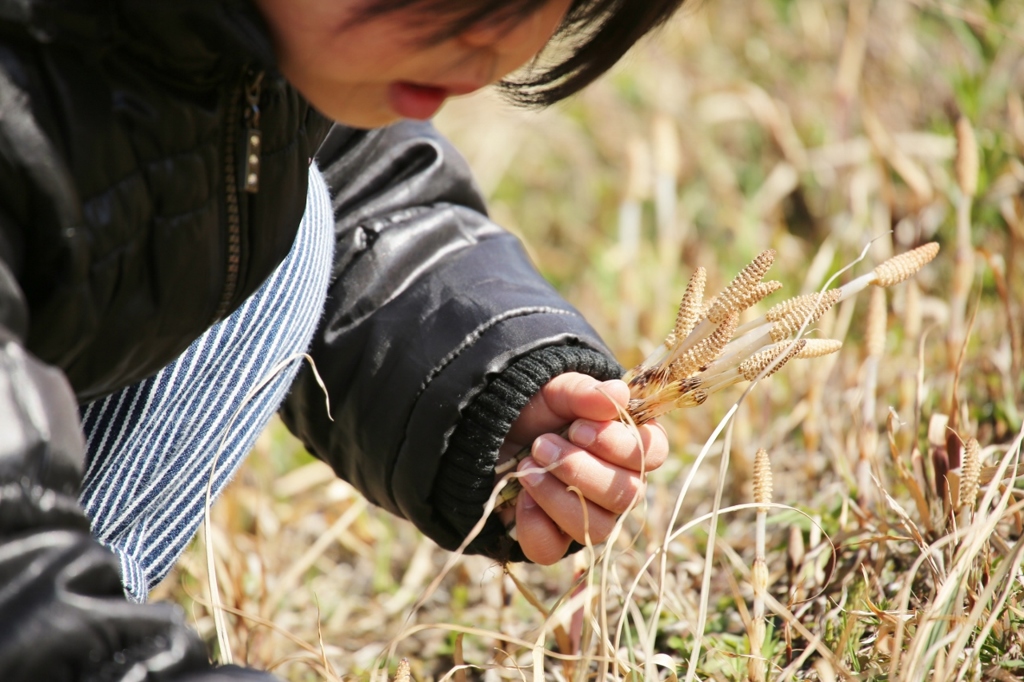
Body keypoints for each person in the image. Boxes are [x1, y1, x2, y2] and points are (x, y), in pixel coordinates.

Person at [0, 0, 683, 679]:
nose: (499, 40)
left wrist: (498, 395)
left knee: (296, 205)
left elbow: (359, 195)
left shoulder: (278, 52)